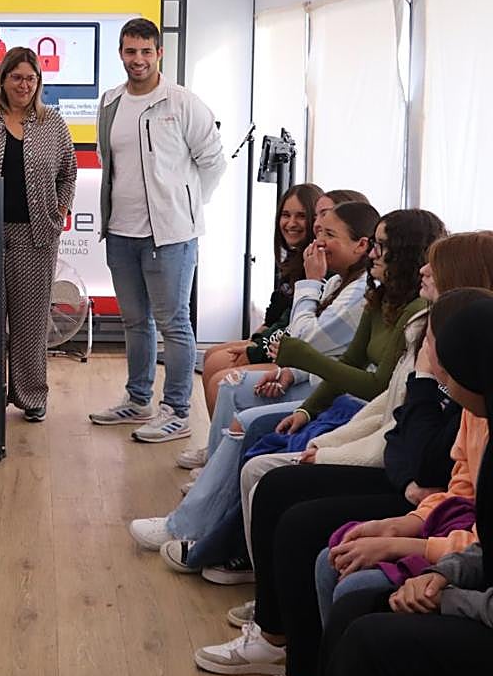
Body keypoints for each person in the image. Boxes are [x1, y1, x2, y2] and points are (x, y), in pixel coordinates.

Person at [128, 202, 379, 556]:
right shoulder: (338, 280)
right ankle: (211, 488)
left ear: (362, 246)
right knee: (231, 383)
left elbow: (308, 340)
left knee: (245, 416)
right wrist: (289, 370)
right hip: (313, 379)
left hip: (334, 394)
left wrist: (308, 284)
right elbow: (305, 341)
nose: (318, 242)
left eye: (329, 234)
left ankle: (190, 523)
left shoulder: (356, 292)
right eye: (319, 232)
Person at [316, 295, 493, 676]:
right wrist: (445, 574)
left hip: (480, 605)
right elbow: (399, 439)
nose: (434, 365)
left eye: (437, 349)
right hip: (469, 577)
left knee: (366, 632)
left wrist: (442, 593)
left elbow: (421, 458)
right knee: (351, 596)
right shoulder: (479, 408)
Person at [88, 16, 228, 443]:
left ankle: (177, 410)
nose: (138, 60)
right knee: (135, 322)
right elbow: (106, 159)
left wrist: (183, 208)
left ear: (159, 53)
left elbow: (214, 161)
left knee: (174, 324)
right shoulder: (110, 101)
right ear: (120, 54)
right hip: (121, 232)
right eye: (130, 52)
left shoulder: (182, 102)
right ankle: (137, 399)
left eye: (146, 52)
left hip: (170, 236)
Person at [181, 188, 365, 472]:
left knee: (223, 372)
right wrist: (261, 344)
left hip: (314, 377)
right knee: (216, 360)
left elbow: (308, 339)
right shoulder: (312, 265)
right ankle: (218, 454)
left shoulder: (337, 278)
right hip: (299, 364)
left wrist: (260, 350)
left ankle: (220, 460)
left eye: (325, 222)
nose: (314, 225)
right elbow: (282, 320)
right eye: (287, 215)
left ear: (359, 243)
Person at [0, 46, 77, 422]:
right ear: (1, 80)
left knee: (30, 320)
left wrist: (58, 211)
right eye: (16, 77)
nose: (24, 84)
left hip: (36, 236)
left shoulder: (52, 123)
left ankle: (31, 396)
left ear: (39, 82)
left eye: (31, 78)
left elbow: (68, 173)